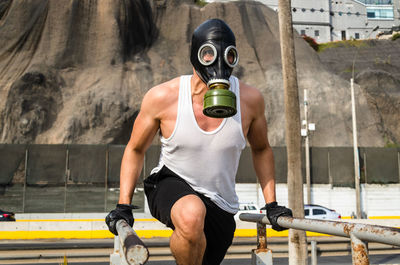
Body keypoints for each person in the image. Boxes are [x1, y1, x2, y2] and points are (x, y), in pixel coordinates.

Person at [106, 18, 292, 265]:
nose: (217, 65)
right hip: (170, 181)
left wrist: (272, 204)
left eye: (227, 57)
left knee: (201, 253)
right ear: (195, 56)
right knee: (192, 215)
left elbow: (261, 149)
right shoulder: (164, 97)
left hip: (221, 202)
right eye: (208, 55)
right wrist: (124, 205)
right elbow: (135, 148)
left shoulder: (250, 100)